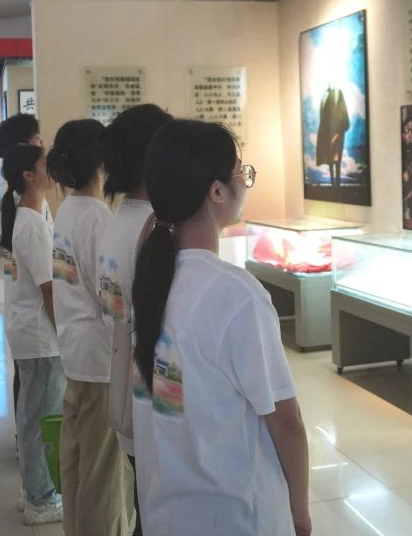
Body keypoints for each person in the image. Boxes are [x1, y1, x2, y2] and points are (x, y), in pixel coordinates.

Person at [131, 120, 310, 536]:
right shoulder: (237, 294)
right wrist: (300, 514)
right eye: (241, 173)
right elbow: (286, 422)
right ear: (216, 191)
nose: (245, 182)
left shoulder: (152, 281)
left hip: (166, 513)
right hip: (234, 516)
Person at [47, 119, 132, 535]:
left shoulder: (67, 209)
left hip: (74, 350)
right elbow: (110, 296)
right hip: (99, 357)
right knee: (103, 470)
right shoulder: (98, 217)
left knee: (78, 460)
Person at [98, 103, 173, 536]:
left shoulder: (119, 219)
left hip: (124, 388)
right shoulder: (151, 227)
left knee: (144, 505)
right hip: (149, 398)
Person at [1, 143, 66, 526]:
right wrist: (66, 337)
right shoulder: (32, 223)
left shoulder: (30, 217)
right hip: (40, 337)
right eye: (44, 164)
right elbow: (49, 290)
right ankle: (41, 498)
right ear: (28, 175)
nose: (50, 168)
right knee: (42, 418)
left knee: (32, 416)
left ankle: (33, 490)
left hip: (31, 333)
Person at [0, 113, 51, 451]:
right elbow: (45, 281)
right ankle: (32, 459)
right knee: (35, 399)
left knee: (31, 390)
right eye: (37, 138)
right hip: (33, 317)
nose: (42, 143)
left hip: (24, 313)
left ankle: (28, 449)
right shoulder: (25, 208)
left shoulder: (23, 202)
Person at [315, 85, 350, 186]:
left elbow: (344, 116)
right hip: (329, 132)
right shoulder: (326, 95)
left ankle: (337, 183)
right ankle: (333, 183)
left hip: (338, 132)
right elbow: (323, 115)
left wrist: (339, 130)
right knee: (331, 158)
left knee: (337, 158)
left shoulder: (338, 94)